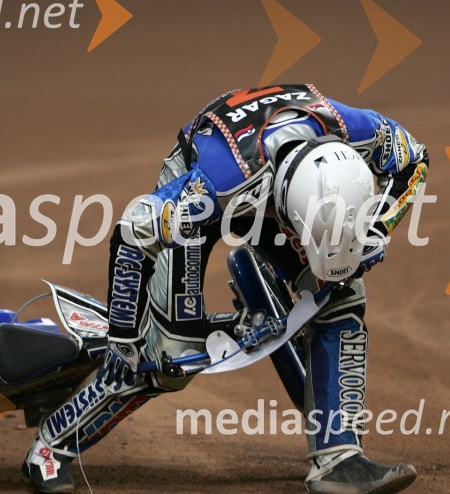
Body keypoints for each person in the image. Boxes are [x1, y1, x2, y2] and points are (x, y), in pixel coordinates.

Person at [22, 84, 428, 494]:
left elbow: (415, 160)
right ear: (287, 214)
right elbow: (133, 233)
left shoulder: (358, 131)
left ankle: (338, 461)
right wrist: (123, 336)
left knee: (342, 294)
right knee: (167, 356)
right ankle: (50, 447)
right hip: (214, 181)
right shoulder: (211, 188)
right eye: (305, 238)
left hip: (276, 181)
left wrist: (378, 227)